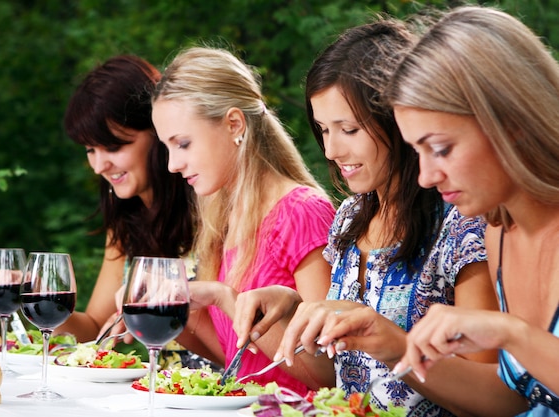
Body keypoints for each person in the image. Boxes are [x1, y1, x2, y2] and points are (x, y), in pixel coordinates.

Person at [232, 19, 499, 416]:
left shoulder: (463, 225)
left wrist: (394, 343)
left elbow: (492, 397)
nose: (331, 150)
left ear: (400, 118)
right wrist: (293, 312)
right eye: (323, 129)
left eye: (349, 129)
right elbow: (333, 375)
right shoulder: (348, 218)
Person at [384, 5, 559, 416]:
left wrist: (509, 333)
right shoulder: (497, 229)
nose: (425, 176)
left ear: (510, 121)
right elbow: (518, 398)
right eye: (416, 152)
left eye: (441, 149)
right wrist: (388, 345)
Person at [151, 46, 337, 395]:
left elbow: (327, 375)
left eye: (184, 144)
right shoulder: (222, 211)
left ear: (234, 124)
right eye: (167, 147)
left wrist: (225, 297)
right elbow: (239, 360)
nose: (172, 164)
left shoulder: (302, 212)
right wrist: (178, 310)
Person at [54, 55, 196, 343]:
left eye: (112, 146)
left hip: (231, 384)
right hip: (162, 386)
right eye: (90, 150)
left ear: (159, 133)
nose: (98, 166)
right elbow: (95, 329)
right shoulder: (127, 221)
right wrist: (40, 302)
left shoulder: (211, 204)